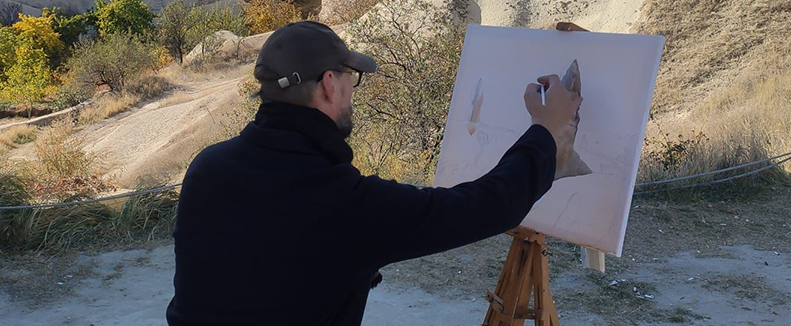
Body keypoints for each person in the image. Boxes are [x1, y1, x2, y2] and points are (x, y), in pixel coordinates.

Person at [166, 21, 579, 326]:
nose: (351, 92)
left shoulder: (207, 169)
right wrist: (545, 131)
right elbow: (486, 205)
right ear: (329, 84)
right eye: (352, 79)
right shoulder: (341, 201)